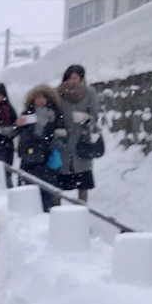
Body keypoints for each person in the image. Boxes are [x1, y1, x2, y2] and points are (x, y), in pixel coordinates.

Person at [15, 84, 65, 212]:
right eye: (37, 97)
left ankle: (48, 211)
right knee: (28, 186)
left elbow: (63, 133)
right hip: (29, 156)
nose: (40, 100)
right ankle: (28, 211)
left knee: (47, 188)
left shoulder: (55, 114)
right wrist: (18, 125)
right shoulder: (27, 114)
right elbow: (17, 132)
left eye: (43, 97)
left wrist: (58, 138)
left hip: (47, 156)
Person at [55, 63, 99, 205]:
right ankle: (56, 210)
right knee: (58, 178)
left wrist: (87, 119)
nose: (73, 81)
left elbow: (95, 116)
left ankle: (82, 209)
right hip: (63, 140)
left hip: (82, 139)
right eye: (70, 78)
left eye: (76, 77)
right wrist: (58, 127)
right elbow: (54, 113)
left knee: (83, 180)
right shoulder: (57, 93)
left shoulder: (90, 92)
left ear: (81, 78)